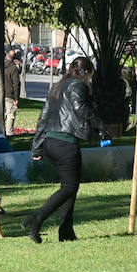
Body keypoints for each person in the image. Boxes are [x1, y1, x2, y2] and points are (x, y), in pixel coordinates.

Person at [27, 56, 110, 244]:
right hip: (65, 143)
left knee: (71, 186)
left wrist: (37, 147)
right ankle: (36, 219)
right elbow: (80, 108)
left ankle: (66, 232)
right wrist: (101, 126)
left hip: (51, 143)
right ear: (86, 72)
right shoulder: (76, 86)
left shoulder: (58, 86)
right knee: (69, 187)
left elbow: (43, 117)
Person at [3, 46, 23, 134]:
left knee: (2, 115)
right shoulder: (14, 68)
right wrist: (16, 98)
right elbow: (16, 84)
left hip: (2, 94)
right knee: (10, 115)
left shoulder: (1, 67)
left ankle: (1, 132)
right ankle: (9, 133)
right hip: (10, 95)